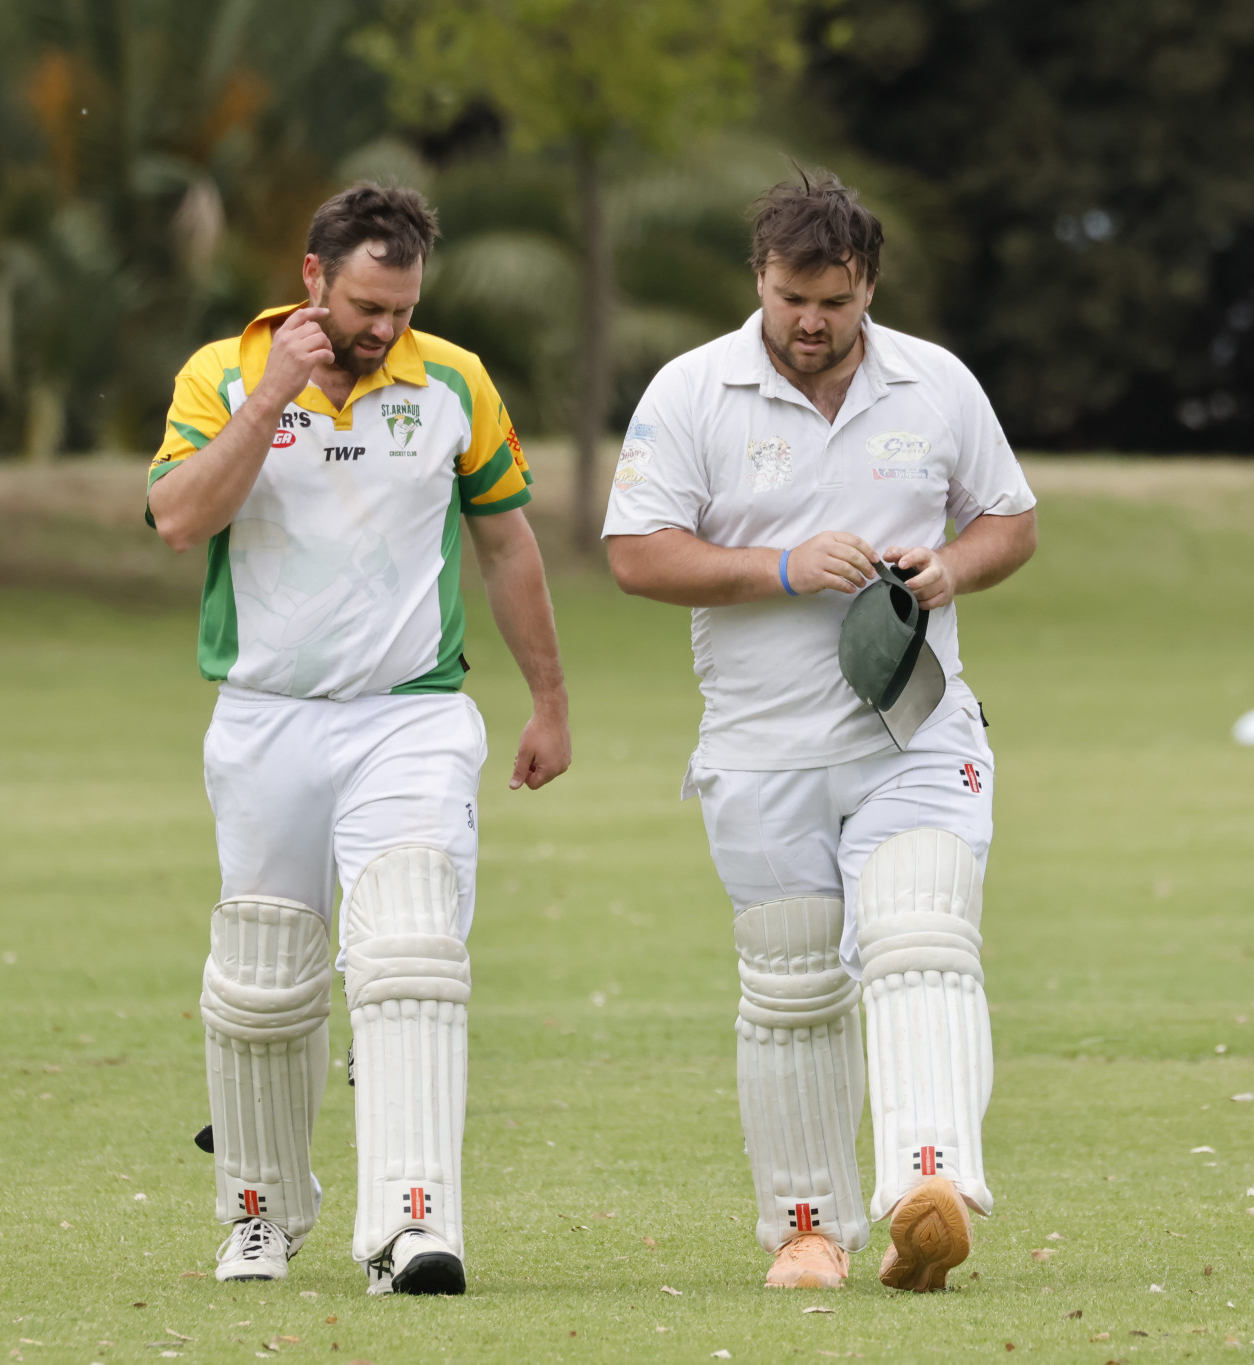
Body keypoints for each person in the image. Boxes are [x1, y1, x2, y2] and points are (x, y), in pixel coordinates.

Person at [603, 170, 1038, 1291]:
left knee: (922, 940)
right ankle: (808, 1228)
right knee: (791, 989)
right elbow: (637, 554)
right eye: (791, 297)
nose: (810, 323)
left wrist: (948, 568)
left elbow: (1010, 521)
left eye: (834, 303)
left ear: (867, 287)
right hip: (760, 752)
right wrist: (780, 568)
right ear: (760, 279)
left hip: (914, 735)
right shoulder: (692, 391)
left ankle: (927, 1188)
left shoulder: (933, 381)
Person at [146, 183, 571, 1292]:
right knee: (263, 984)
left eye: (402, 307)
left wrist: (549, 701)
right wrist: (271, 395)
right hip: (265, 715)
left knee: (410, 953)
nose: (384, 328)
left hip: (410, 713)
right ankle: (260, 1214)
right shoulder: (221, 374)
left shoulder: (452, 383)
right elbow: (182, 515)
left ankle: (413, 1226)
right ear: (311, 279)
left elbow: (507, 546)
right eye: (367, 304)